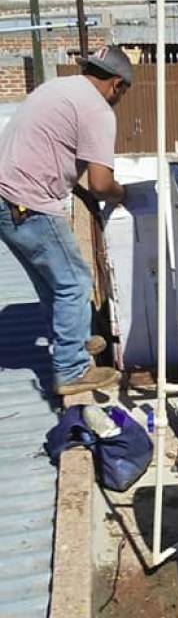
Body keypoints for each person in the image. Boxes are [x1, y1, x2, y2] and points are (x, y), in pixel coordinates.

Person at [0, 45, 133, 396]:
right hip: (27, 204)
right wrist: (123, 194)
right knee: (74, 281)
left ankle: (71, 341)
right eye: (123, 93)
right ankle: (72, 370)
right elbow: (102, 184)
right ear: (116, 84)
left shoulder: (58, 88)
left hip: (6, 197)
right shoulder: (97, 110)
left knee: (52, 282)